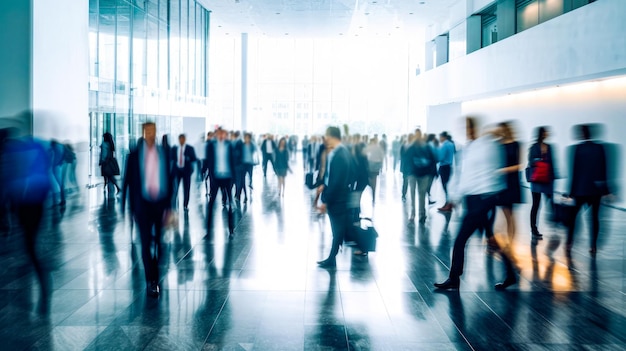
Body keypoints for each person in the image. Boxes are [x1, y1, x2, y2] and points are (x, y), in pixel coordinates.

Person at [434, 117, 518, 290]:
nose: (465, 131)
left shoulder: (486, 146)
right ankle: (511, 274)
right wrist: (457, 196)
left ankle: (454, 278)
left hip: (481, 201)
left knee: (459, 241)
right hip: (475, 201)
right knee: (491, 239)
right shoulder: (471, 148)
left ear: (472, 128)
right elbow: (466, 175)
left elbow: (480, 175)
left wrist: (457, 196)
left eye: (466, 127)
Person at [1, 119, 53, 311]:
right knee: (29, 242)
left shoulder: (13, 151)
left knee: (29, 244)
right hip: (33, 204)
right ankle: (37, 271)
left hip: (25, 204)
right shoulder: (34, 147)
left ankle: (41, 275)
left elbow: (8, 180)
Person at [122, 122, 173, 298]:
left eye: (153, 131)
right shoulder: (134, 156)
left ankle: (155, 275)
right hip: (142, 205)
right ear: (143, 133)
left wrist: (170, 208)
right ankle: (151, 281)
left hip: (159, 204)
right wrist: (127, 208)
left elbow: (169, 180)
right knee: (144, 244)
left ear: (156, 132)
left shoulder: (164, 153)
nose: (150, 134)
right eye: (147, 131)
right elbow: (127, 183)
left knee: (159, 244)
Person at [566, 124, 610, 254]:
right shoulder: (600, 148)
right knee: (594, 218)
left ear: (582, 134)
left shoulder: (577, 149)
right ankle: (593, 246)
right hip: (595, 190)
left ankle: (569, 243)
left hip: (580, 190)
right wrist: (606, 191)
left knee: (573, 218)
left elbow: (574, 172)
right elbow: (604, 170)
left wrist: (571, 192)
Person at [317, 126, 354, 268]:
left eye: (327, 137)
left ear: (332, 137)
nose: (325, 140)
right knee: (337, 231)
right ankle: (332, 257)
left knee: (337, 230)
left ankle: (332, 258)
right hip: (339, 197)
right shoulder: (342, 152)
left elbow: (337, 181)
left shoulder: (340, 154)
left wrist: (326, 200)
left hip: (337, 199)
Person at [204, 128, 236, 239]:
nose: (221, 135)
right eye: (219, 133)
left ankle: (231, 229)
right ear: (216, 135)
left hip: (227, 177)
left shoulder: (229, 145)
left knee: (230, 203)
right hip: (216, 177)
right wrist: (205, 171)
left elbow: (233, 161)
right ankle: (208, 230)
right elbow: (207, 160)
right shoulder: (211, 146)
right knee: (211, 203)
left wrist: (234, 177)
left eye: (223, 134)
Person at [528, 126, 557, 242]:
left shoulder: (550, 147)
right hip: (537, 180)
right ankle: (534, 229)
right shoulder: (533, 147)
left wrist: (553, 179)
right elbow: (530, 161)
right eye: (545, 132)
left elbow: (552, 163)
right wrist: (538, 161)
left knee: (550, 202)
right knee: (536, 205)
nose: (547, 134)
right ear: (541, 134)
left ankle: (553, 221)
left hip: (547, 180)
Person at [495, 122, 522, 246]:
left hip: (511, 183)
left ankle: (510, 242)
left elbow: (519, 165)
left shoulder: (516, 144)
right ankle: (501, 240)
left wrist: (502, 170)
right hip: (500, 183)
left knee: (509, 214)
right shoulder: (497, 144)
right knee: (503, 214)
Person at [406, 129, 437, 223]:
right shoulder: (423, 147)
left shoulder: (421, 147)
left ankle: (418, 214)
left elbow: (432, 160)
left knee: (418, 194)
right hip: (417, 174)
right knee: (418, 194)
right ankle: (418, 214)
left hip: (419, 174)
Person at [171, 134, 197, 211]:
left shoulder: (190, 148)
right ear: (178, 140)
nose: (182, 140)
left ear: (185, 139)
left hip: (186, 171)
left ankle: (185, 205)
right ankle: (174, 204)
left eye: (183, 139)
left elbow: (194, 159)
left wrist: (191, 168)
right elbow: (171, 159)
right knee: (175, 188)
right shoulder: (174, 149)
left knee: (186, 188)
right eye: (180, 139)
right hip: (177, 171)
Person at [437, 132, 455, 212]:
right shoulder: (451, 144)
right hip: (449, 166)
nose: (439, 139)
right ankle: (449, 203)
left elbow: (440, 157)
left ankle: (447, 204)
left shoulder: (444, 145)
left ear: (443, 137)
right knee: (448, 186)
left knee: (445, 186)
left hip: (444, 167)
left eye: (440, 137)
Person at [237, 132, 257, 202]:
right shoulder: (242, 145)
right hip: (243, 164)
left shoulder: (252, 145)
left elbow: (255, 150)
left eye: (248, 138)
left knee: (250, 176)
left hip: (250, 164)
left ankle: (250, 183)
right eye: (245, 138)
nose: (246, 139)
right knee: (242, 180)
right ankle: (245, 195)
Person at [365, 137, 384, 203]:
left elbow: (364, 154)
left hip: (370, 166)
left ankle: (372, 191)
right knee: (374, 181)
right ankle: (374, 195)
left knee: (371, 181)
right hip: (376, 166)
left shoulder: (369, 147)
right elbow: (382, 157)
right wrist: (381, 166)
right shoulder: (378, 148)